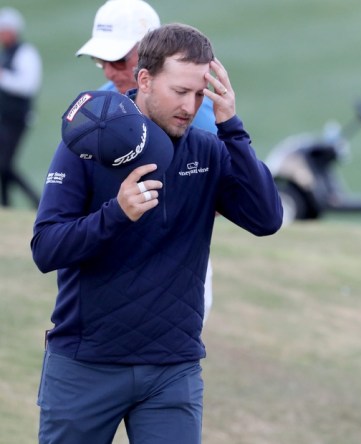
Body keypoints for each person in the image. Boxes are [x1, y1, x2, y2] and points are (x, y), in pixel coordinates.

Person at [31, 23, 283, 443]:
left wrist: (232, 127)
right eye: (180, 92)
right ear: (144, 79)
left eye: (200, 94)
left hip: (173, 369)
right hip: (84, 365)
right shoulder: (87, 141)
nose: (191, 105)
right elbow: (46, 248)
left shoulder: (207, 150)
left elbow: (267, 218)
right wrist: (116, 214)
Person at [76, 0, 218, 323]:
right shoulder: (100, 104)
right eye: (102, 61)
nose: (110, 71)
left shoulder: (199, 113)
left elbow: (226, 194)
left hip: (178, 263)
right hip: (109, 259)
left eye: (119, 59)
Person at [0, 7, 41, 208]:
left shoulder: (26, 53)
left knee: (4, 164)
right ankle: (6, 205)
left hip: (17, 118)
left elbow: (27, 85)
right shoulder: (6, 54)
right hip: (3, 117)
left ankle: (36, 201)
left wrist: (3, 77)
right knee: (3, 165)